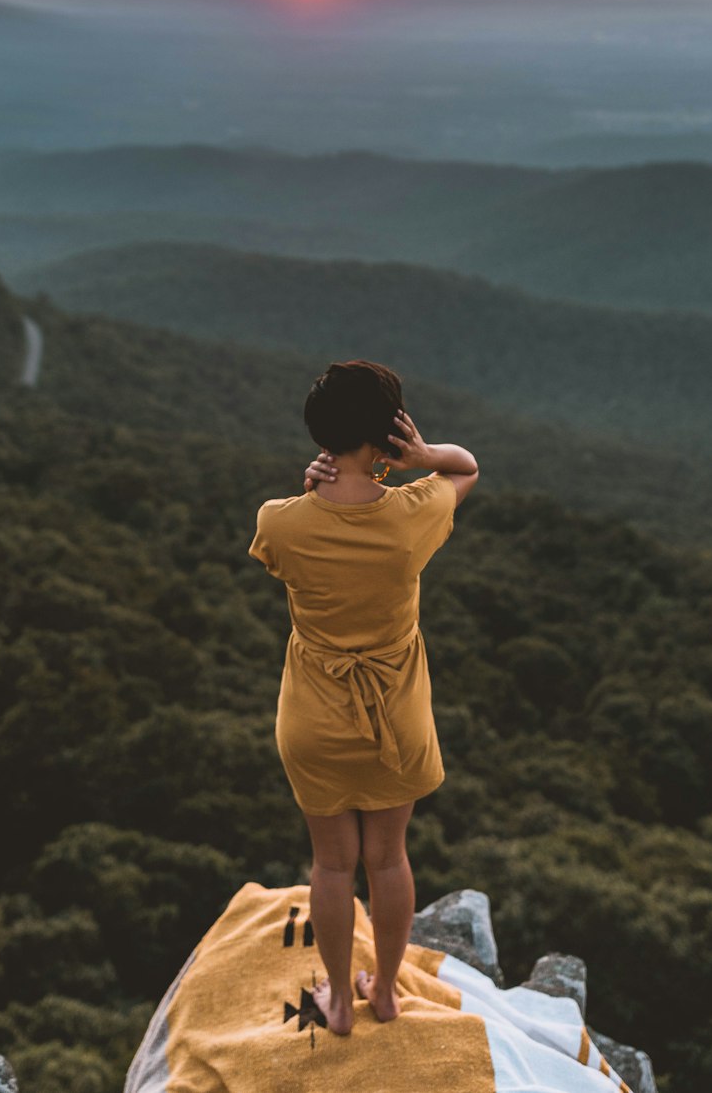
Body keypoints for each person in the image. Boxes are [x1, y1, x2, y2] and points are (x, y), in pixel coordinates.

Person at [248, 360, 479, 1036]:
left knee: (331, 862)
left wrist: (309, 489)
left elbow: (287, 541)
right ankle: (384, 995)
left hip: (314, 720)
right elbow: (464, 470)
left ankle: (341, 1006)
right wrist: (425, 454)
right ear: (389, 436)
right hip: (395, 713)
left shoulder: (280, 521)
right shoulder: (413, 515)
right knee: (388, 858)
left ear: (320, 435)